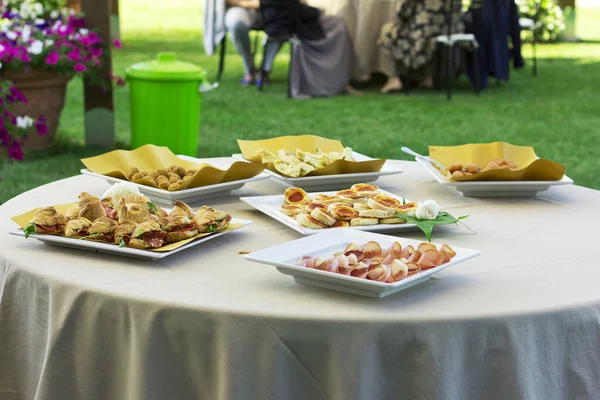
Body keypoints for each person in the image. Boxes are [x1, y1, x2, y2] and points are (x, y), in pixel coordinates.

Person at [261, 0, 361, 98]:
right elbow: (293, 8)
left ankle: (338, 79)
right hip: (289, 24)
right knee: (339, 26)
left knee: (338, 23)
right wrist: (316, 12)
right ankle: (334, 81)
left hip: (284, 21)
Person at [378, 0, 464, 93]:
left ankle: (393, 78)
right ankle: (427, 78)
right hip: (449, 31)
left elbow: (405, 12)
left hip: (422, 33)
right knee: (430, 37)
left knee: (387, 31)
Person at [224, 0, 282, 86]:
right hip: (240, 7)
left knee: (284, 23)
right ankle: (249, 68)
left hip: (275, 8)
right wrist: (252, 4)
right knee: (236, 23)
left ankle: (265, 68)